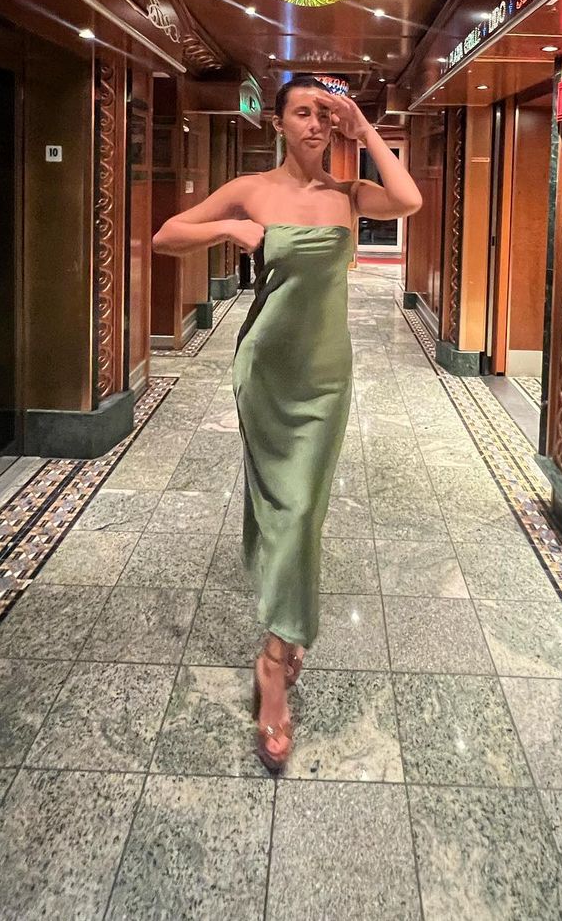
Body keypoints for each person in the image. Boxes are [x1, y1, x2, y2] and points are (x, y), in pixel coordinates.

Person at [152, 75, 423, 771]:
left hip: (326, 379)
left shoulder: (348, 195)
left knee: (305, 510)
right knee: (291, 511)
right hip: (266, 372)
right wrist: (228, 228)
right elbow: (166, 235)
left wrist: (364, 129)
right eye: (301, 113)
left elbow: (409, 200)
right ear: (277, 123)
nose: (314, 125)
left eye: (323, 116)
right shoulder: (251, 189)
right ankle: (275, 662)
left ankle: (283, 623)